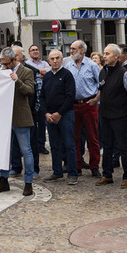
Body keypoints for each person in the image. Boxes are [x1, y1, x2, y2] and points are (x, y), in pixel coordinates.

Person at [0, 48, 36, 197]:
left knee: (26, 150)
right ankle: (3, 180)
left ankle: (28, 182)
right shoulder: (1, 71)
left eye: (6, 64)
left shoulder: (26, 72)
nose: (4, 66)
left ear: (14, 59)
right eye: (2, 64)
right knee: (4, 151)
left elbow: (30, 91)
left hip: (21, 116)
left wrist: (17, 80)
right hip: (5, 117)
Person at [94, 44, 127, 188]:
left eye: (107, 54)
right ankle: (107, 174)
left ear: (116, 56)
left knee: (123, 146)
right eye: (104, 53)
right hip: (105, 114)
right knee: (107, 146)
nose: (104, 56)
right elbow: (101, 90)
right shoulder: (103, 71)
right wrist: (96, 100)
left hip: (120, 115)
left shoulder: (124, 73)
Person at [66, 40, 102, 179]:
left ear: (82, 50)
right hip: (74, 105)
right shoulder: (69, 66)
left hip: (89, 104)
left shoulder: (92, 65)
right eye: (71, 48)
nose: (71, 51)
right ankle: (77, 165)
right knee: (75, 137)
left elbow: (101, 85)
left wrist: (96, 99)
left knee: (92, 137)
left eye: (74, 48)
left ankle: (94, 166)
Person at [42, 49, 78, 184]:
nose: (55, 61)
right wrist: (46, 113)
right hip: (50, 116)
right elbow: (43, 97)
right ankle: (57, 172)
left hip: (65, 115)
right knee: (54, 145)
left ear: (62, 59)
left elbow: (70, 97)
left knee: (69, 145)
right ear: (48, 60)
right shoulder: (46, 76)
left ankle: (73, 173)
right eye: (52, 59)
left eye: (57, 58)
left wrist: (59, 113)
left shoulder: (67, 75)